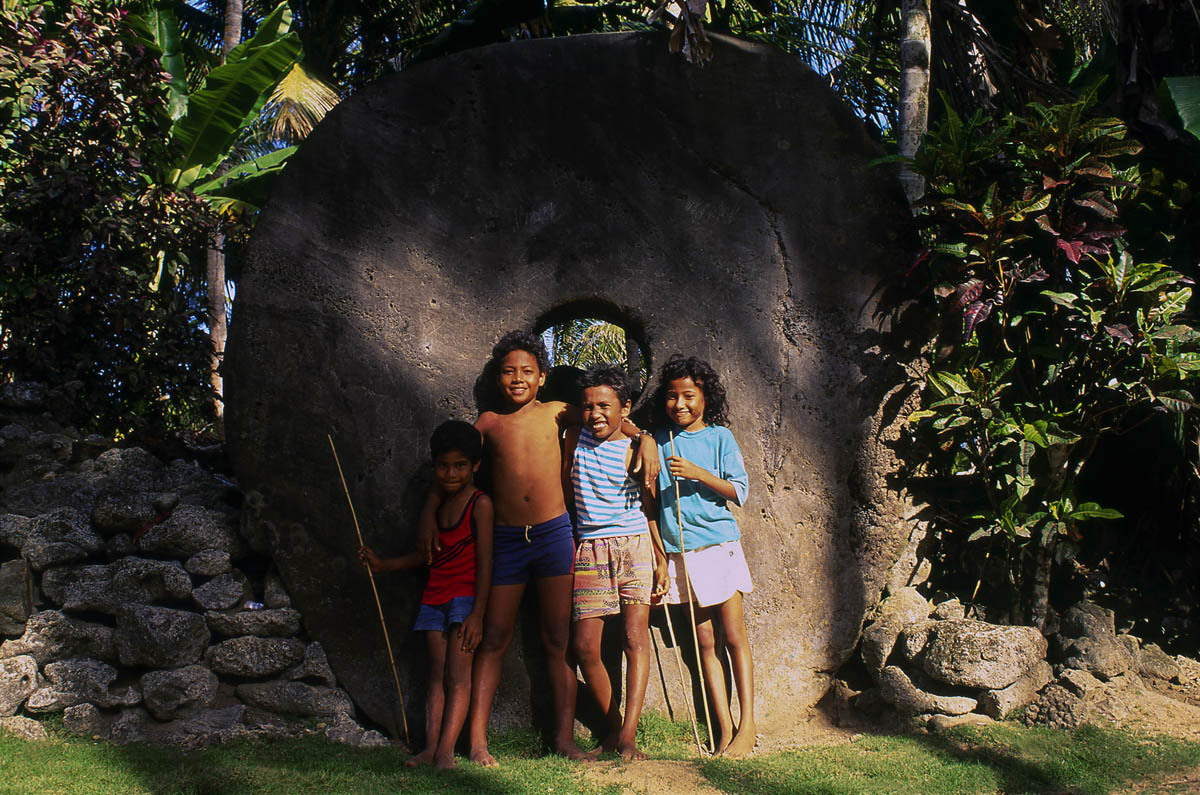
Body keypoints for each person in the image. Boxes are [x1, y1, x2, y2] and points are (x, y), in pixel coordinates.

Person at [419, 330, 658, 766]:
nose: (517, 378)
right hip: (508, 540)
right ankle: (477, 743)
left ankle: (564, 739)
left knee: (557, 639)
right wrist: (427, 511)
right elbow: (454, 465)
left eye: (527, 371)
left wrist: (647, 439)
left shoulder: (558, 413)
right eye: (508, 371)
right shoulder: (488, 423)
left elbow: (604, 413)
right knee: (493, 638)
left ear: (542, 377)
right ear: (496, 378)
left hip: (554, 535)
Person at [359, 420, 493, 770]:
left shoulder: (479, 504)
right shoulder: (437, 509)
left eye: (460, 465)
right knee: (436, 675)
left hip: (464, 601)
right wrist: (384, 565)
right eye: (443, 466)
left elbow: (487, 561)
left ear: (475, 466)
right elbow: (427, 556)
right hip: (434, 598)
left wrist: (478, 614)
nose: (451, 474)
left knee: (458, 676)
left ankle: (447, 750)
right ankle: (431, 748)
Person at [563, 364, 669, 761]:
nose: (596, 415)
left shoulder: (633, 448)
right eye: (588, 406)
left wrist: (661, 558)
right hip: (589, 547)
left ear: (625, 407)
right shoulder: (574, 436)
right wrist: (641, 432)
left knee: (633, 638)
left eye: (605, 406)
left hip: (635, 545)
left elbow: (649, 506)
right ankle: (614, 725)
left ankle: (627, 736)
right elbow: (569, 413)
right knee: (585, 646)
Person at [653, 355, 757, 757]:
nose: (680, 404)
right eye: (671, 396)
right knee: (703, 642)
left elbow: (740, 492)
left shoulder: (720, 438)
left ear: (705, 397)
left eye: (689, 396)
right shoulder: (660, 440)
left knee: (734, 638)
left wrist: (699, 474)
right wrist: (647, 439)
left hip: (717, 546)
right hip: (679, 553)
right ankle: (723, 727)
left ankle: (747, 725)